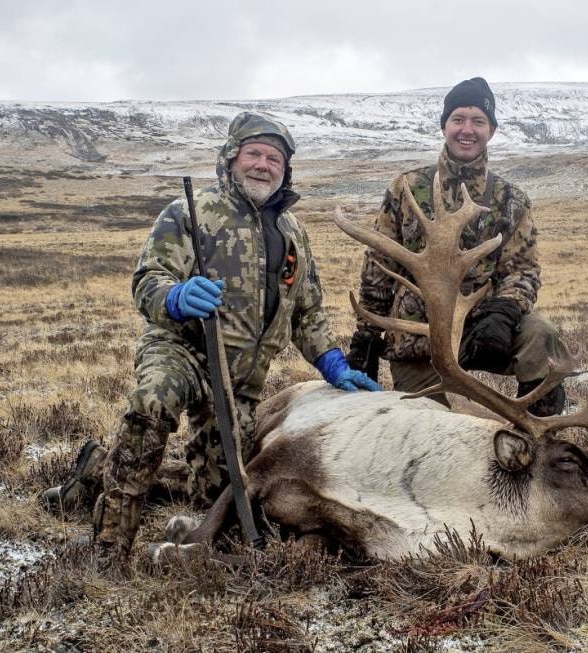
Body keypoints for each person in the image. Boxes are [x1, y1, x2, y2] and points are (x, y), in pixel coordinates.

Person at [43, 111, 380, 566]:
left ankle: (98, 470)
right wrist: (175, 297)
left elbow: (307, 313)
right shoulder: (190, 213)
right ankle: (109, 544)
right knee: (153, 403)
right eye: (254, 153)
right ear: (232, 157)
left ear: (285, 169)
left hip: (238, 381)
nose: (263, 165)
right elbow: (147, 281)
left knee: (223, 486)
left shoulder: (293, 234)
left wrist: (334, 365)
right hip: (182, 349)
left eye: (274, 158)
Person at [347, 77, 567, 415]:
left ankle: (539, 439)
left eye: (479, 121)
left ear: (491, 130)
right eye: (458, 119)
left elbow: (522, 268)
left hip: (484, 331)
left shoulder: (511, 199)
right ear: (444, 126)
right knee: (428, 432)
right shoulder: (406, 188)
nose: (468, 129)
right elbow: (380, 265)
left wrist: (504, 313)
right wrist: (367, 336)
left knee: (542, 335)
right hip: (418, 339)